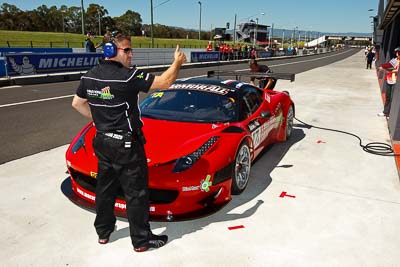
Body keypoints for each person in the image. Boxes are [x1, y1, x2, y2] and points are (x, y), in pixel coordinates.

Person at [71, 33, 187, 252]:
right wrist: (177, 62)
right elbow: (166, 82)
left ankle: (103, 232)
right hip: (126, 145)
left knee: (105, 189)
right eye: (127, 50)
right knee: (136, 193)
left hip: (102, 141)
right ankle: (141, 240)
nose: (131, 54)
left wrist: (100, 119)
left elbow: (77, 103)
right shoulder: (127, 76)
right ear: (110, 51)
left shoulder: (89, 76)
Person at [378, 46, 400, 117]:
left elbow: (395, 69)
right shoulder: (394, 60)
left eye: (398, 52)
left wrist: (385, 68)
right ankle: (386, 112)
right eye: (396, 52)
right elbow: (388, 65)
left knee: (393, 98)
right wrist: (384, 67)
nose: (397, 54)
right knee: (388, 97)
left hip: (396, 81)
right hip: (389, 79)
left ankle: (392, 114)